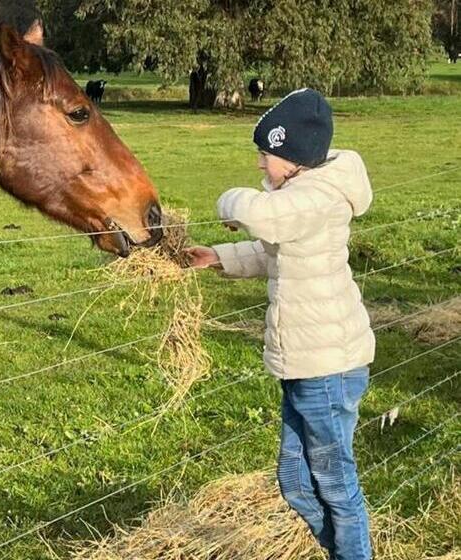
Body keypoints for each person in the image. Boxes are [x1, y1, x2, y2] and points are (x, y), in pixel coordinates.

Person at [187, 88, 375, 560]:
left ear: (293, 157)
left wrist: (229, 201)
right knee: (295, 480)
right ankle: (344, 552)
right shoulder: (299, 198)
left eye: (264, 154)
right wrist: (217, 257)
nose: (259, 165)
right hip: (306, 363)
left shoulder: (314, 196)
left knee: (335, 484)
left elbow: (260, 216)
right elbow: (274, 252)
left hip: (327, 367)